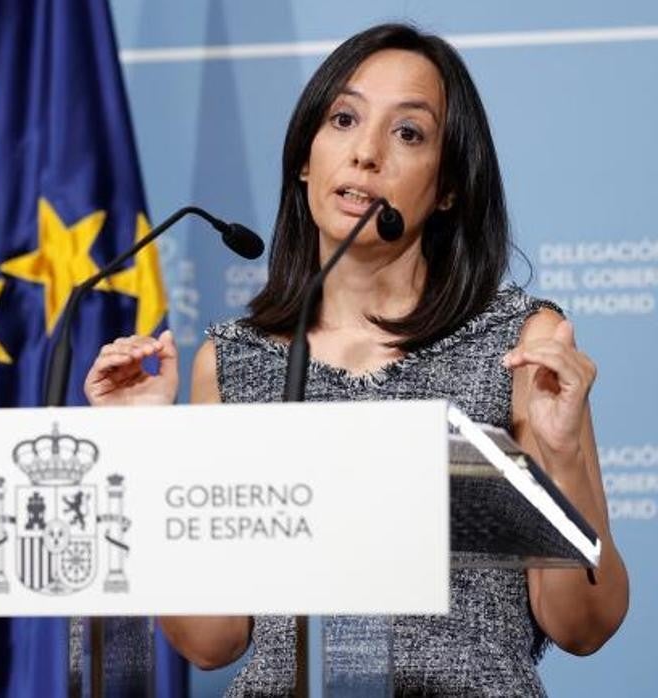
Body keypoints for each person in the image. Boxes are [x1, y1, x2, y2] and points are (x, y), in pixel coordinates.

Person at [84, 23, 628, 696]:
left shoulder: (518, 345)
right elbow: (211, 639)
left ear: (449, 185)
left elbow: (585, 626)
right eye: (344, 119)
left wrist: (562, 447)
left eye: (409, 133)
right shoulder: (234, 362)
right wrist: (145, 449)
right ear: (307, 159)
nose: (366, 153)